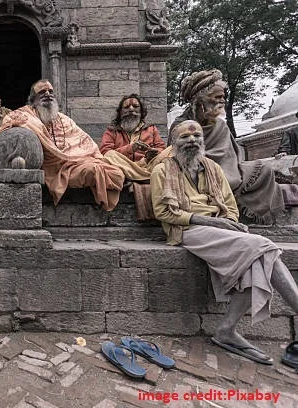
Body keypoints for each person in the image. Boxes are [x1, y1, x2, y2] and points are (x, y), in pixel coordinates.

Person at [151, 120, 298, 365]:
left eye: (196, 136)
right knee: (262, 245)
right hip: (187, 229)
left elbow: (230, 207)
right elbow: (164, 213)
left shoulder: (213, 168)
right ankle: (228, 330)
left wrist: (229, 221)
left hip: (221, 229)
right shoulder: (162, 170)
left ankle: (226, 330)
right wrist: (214, 223)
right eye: (185, 137)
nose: (192, 140)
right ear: (173, 142)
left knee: (257, 261)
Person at [170, 69, 284, 222]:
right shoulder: (180, 125)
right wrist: (206, 166)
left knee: (265, 169)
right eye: (217, 97)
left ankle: (245, 216)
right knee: (215, 181)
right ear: (201, 100)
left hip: (227, 169)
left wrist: (222, 169)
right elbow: (174, 156)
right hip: (193, 171)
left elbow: (230, 157)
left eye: (223, 97)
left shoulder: (220, 125)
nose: (222, 101)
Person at [0, 79, 124, 210]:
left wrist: (95, 159)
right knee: (94, 171)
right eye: (42, 92)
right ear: (33, 99)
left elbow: (86, 143)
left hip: (75, 165)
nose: (47, 94)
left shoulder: (65, 120)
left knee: (116, 173)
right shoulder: (24, 115)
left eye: (50, 91)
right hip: (51, 169)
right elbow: (6, 127)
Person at [100, 93, 168, 181]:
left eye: (135, 106)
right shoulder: (112, 130)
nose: (131, 109)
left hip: (147, 165)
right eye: (126, 107)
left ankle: (137, 175)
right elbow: (104, 152)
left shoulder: (151, 129)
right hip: (122, 167)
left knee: (170, 151)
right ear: (120, 112)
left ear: (141, 111)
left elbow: (161, 148)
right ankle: (142, 176)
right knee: (109, 155)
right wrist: (130, 148)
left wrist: (152, 153)